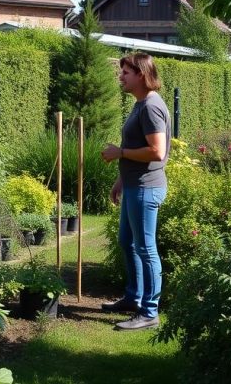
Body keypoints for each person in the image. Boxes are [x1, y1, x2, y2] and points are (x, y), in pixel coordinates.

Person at [99, 52, 170, 330]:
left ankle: (149, 312)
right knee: (127, 243)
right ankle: (134, 297)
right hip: (132, 186)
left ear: (141, 74)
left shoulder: (151, 106)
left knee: (146, 248)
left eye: (126, 72)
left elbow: (157, 151)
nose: (121, 76)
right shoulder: (140, 104)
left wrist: (120, 153)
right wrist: (120, 180)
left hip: (145, 188)